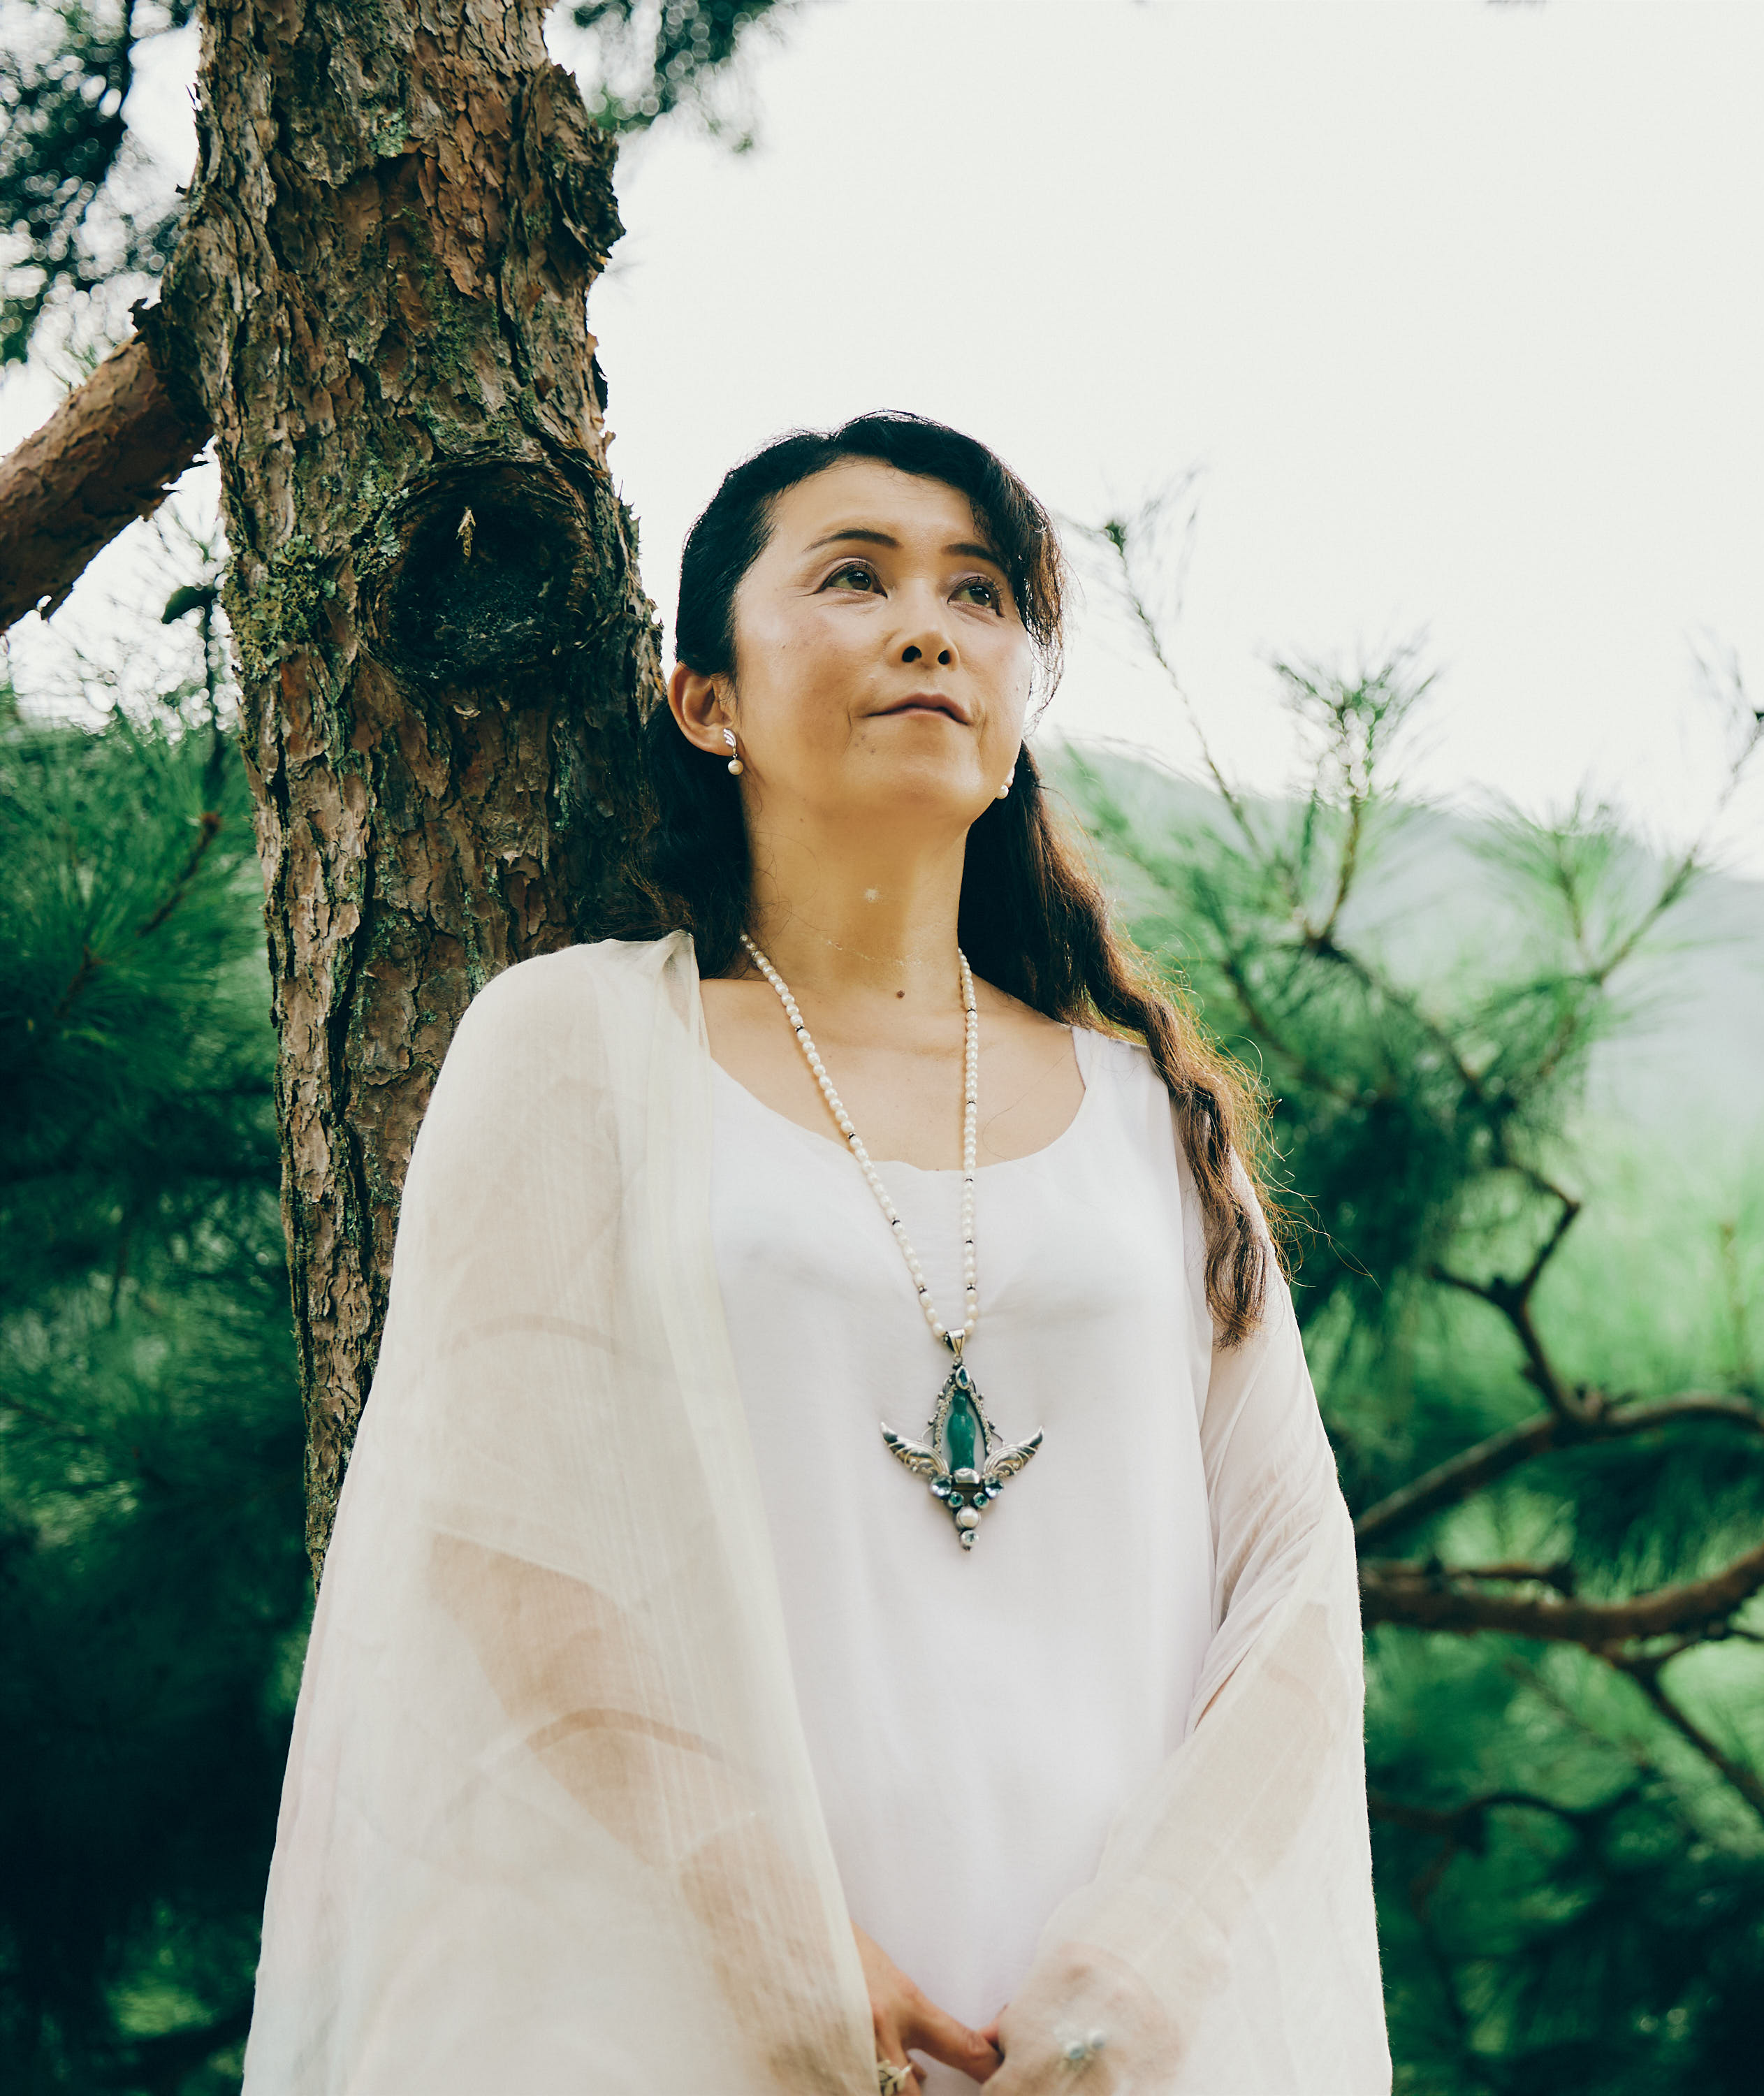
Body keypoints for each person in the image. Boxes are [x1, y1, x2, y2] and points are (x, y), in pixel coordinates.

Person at [242, 413, 1390, 2094]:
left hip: (1113, 2033)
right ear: (706, 701)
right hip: (687, 1999)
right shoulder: (576, 1049)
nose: (929, 625)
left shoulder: (1157, 1122)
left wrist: (1147, 1964)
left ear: (1019, 704)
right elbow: (497, 1538)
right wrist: (778, 1936)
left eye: (979, 593)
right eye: (855, 577)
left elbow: (1293, 1578)